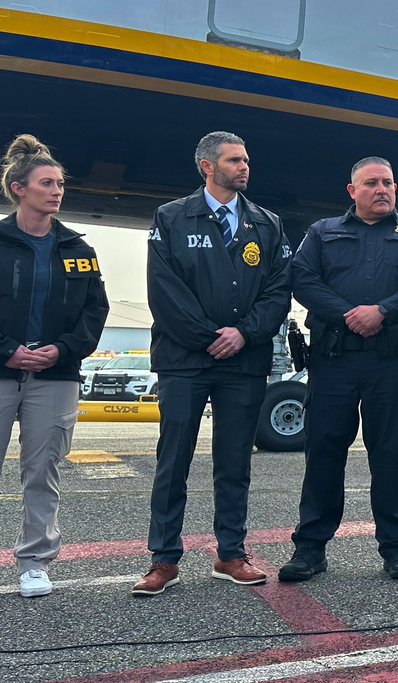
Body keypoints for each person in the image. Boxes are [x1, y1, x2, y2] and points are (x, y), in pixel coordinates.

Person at [132, 131, 292, 596]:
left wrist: (244, 333)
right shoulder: (172, 217)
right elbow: (164, 290)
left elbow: (279, 288)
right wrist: (210, 338)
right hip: (184, 359)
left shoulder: (268, 223)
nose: (244, 167)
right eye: (234, 160)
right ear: (207, 165)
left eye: (246, 159)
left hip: (243, 360)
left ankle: (230, 552)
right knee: (173, 457)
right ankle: (164, 558)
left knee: (235, 459)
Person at [279, 156, 398, 582]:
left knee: (391, 453)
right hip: (335, 360)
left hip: (392, 361)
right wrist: (350, 313)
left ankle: (397, 547)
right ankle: (310, 548)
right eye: (371, 183)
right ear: (353, 191)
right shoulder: (322, 232)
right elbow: (303, 279)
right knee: (323, 453)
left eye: (388, 182)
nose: (382, 189)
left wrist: (382, 312)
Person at [0, 134, 109, 598]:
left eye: (60, 184)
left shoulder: (78, 248)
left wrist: (63, 350)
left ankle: (34, 562)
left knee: (43, 470)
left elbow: (94, 311)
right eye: (47, 183)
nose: (57, 190)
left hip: (55, 376)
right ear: (18, 188)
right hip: (2, 368)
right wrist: (5, 348)